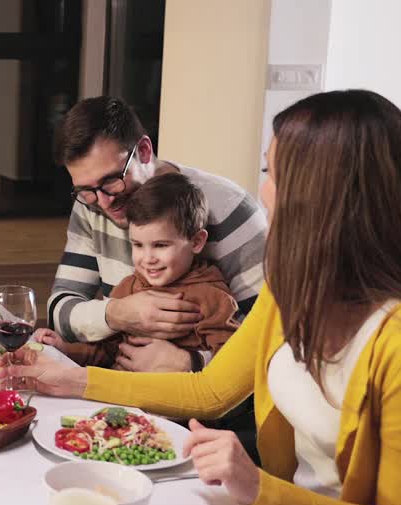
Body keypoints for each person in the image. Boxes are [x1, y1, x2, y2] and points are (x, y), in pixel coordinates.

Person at [3, 90, 401, 505]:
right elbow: (209, 391)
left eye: (271, 170)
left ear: (322, 195)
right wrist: (71, 382)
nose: (261, 186)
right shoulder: (296, 287)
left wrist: (259, 487)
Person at [42, 96, 267, 374]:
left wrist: (191, 363)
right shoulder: (91, 203)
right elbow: (60, 308)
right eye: (86, 189)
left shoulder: (232, 209)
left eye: (111, 180)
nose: (104, 203)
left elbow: (268, 340)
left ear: (145, 150)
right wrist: (119, 314)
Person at [50, 173, 239, 370]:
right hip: (116, 392)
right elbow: (107, 351)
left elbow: (232, 363)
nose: (148, 258)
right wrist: (65, 349)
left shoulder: (213, 297)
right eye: (138, 245)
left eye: (160, 245)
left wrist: (191, 361)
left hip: (171, 396)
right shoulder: (129, 287)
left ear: (197, 241)